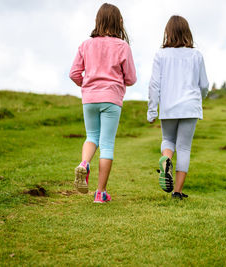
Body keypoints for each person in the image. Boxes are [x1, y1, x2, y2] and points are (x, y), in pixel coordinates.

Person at [69, 3, 136, 203]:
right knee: (107, 144)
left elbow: (73, 73)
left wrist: (87, 85)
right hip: (111, 99)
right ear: (119, 22)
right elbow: (131, 79)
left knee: (91, 136)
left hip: (89, 98)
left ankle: (84, 162)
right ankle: (100, 193)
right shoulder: (122, 46)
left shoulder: (85, 45)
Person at [147, 15, 209, 199]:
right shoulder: (196, 55)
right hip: (190, 107)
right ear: (187, 32)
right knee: (184, 148)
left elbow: (154, 84)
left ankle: (166, 160)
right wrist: (201, 98)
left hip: (169, 107)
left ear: (168, 33)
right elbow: (204, 84)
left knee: (168, 139)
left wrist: (152, 110)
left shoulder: (161, 55)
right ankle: (177, 192)